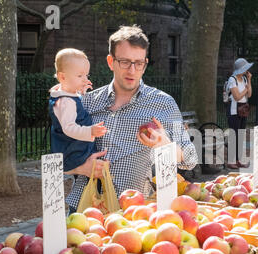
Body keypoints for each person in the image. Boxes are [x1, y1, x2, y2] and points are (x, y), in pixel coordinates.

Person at [65, 25, 198, 213]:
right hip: (85, 207)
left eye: (139, 63)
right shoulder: (87, 102)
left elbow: (190, 158)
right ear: (111, 62)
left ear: (145, 63)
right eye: (125, 62)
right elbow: (61, 154)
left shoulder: (163, 103)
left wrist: (166, 145)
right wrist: (81, 168)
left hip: (134, 213)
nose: (132, 70)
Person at [49, 48, 107, 172]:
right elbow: (69, 128)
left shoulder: (67, 94)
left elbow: (76, 101)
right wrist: (90, 131)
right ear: (62, 77)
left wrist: (81, 91)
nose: (85, 79)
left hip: (75, 144)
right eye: (80, 75)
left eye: (86, 75)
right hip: (72, 148)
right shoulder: (65, 102)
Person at [226, 58, 253, 169]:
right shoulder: (232, 79)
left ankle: (238, 160)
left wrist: (249, 80)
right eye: (244, 68)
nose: (246, 70)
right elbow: (237, 97)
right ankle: (231, 161)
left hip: (243, 109)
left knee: (240, 135)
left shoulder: (244, 79)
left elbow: (250, 94)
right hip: (233, 110)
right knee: (234, 135)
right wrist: (246, 90)